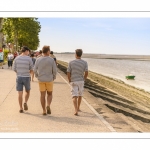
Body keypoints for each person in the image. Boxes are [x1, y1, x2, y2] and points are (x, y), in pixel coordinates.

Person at [34, 46, 57, 115]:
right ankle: (48, 105)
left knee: (42, 95)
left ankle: (44, 110)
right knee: (50, 94)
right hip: (49, 79)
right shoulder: (51, 60)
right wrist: (54, 77)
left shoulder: (38, 59)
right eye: (49, 51)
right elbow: (55, 70)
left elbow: (35, 69)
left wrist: (37, 76)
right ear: (47, 52)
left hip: (41, 79)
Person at [67, 49, 88, 116]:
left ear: (75, 54)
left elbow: (68, 72)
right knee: (80, 95)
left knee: (74, 95)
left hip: (74, 80)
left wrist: (69, 79)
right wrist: (84, 79)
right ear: (81, 54)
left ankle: (76, 110)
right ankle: (78, 107)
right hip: (81, 81)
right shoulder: (85, 62)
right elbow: (86, 72)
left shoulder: (71, 62)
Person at [13, 46, 33, 113]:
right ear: (26, 51)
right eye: (28, 52)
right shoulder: (29, 59)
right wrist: (29, 73)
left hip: (19, 77)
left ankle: (21, 108)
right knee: (27, 91)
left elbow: (14, 68)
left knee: (20, 93)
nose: (28, 53)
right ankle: (25, 102)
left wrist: (19, 73)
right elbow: (31, 69)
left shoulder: (16, 58)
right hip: (27, 77)